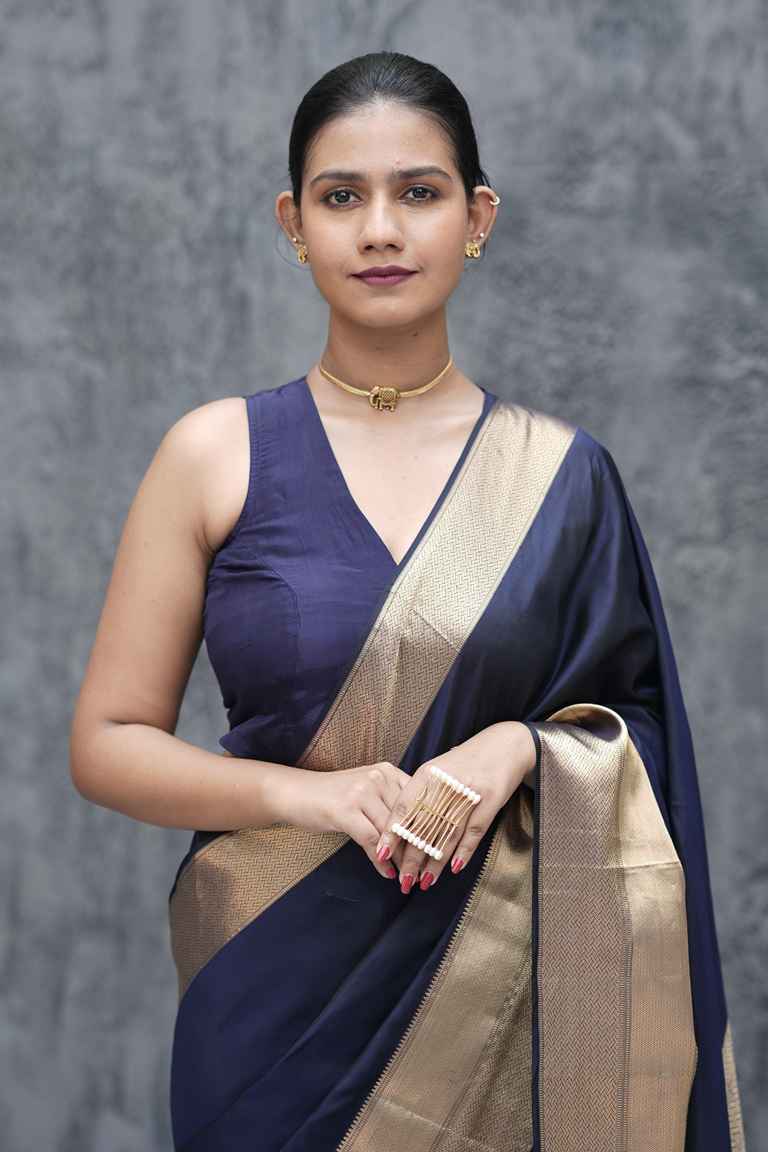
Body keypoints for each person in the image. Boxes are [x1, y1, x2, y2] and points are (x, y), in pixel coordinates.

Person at [71, 52, 744, 1152]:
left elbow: (646, 729)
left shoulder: (565, 479)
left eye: (418, 193)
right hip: (271, 1004)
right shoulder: (214, 455)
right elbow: (106, 744)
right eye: (343, 197)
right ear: (294, 223)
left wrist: (523, 752)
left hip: (509, 1012)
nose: (380, 230)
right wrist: (315, 801)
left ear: (476, 216)